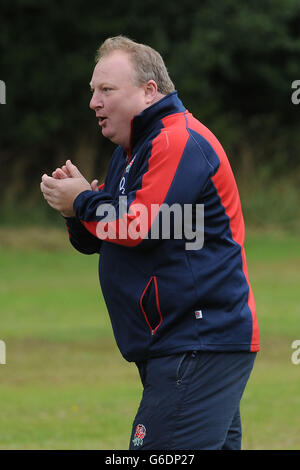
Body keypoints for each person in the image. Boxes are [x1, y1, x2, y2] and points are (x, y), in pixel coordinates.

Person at [40, 35, 259, 450]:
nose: (94, 102)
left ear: (149, 91)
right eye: (93, 91)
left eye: (106, 90)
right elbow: (106, 237)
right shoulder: (130, 151)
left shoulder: (176, 140)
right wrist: (77, 210)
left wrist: (84, 199)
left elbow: (135, 225)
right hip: (182, 344)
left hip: (198, 340)